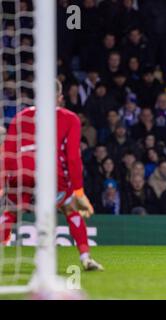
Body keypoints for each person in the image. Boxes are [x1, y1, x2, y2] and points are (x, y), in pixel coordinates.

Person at [0, 80, 103, 270]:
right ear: (60, 98)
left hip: (23, 169)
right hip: (51, 170)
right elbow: (73, 158)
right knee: (71, 210)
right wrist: (79, 192)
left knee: (11, 212)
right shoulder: (70, 118)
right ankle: (85, 258)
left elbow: (7, 153)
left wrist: (1, 184)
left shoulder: (20, 117)